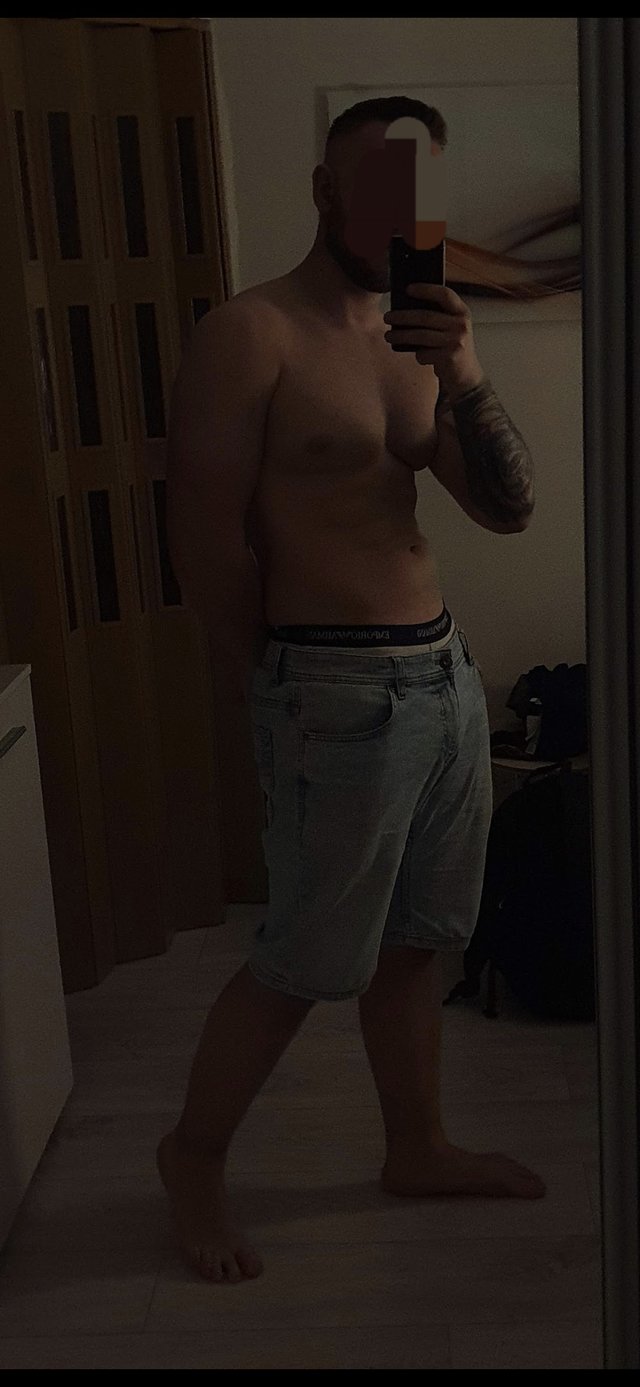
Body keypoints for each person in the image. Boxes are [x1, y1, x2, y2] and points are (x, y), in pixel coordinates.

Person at [158, 96, 543, 1286]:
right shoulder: (251, 332)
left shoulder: (416, 335)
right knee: (303, 960)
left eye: (414, 193)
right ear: (325, 192)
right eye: (372, 187)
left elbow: (506, 508)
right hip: (327, 685)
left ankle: (415, 1146)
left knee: (421, 941)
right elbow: (206, 537)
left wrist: (465, 370)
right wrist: (269, 682)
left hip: (442, 673)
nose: (393, 213)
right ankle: (191, 1157)